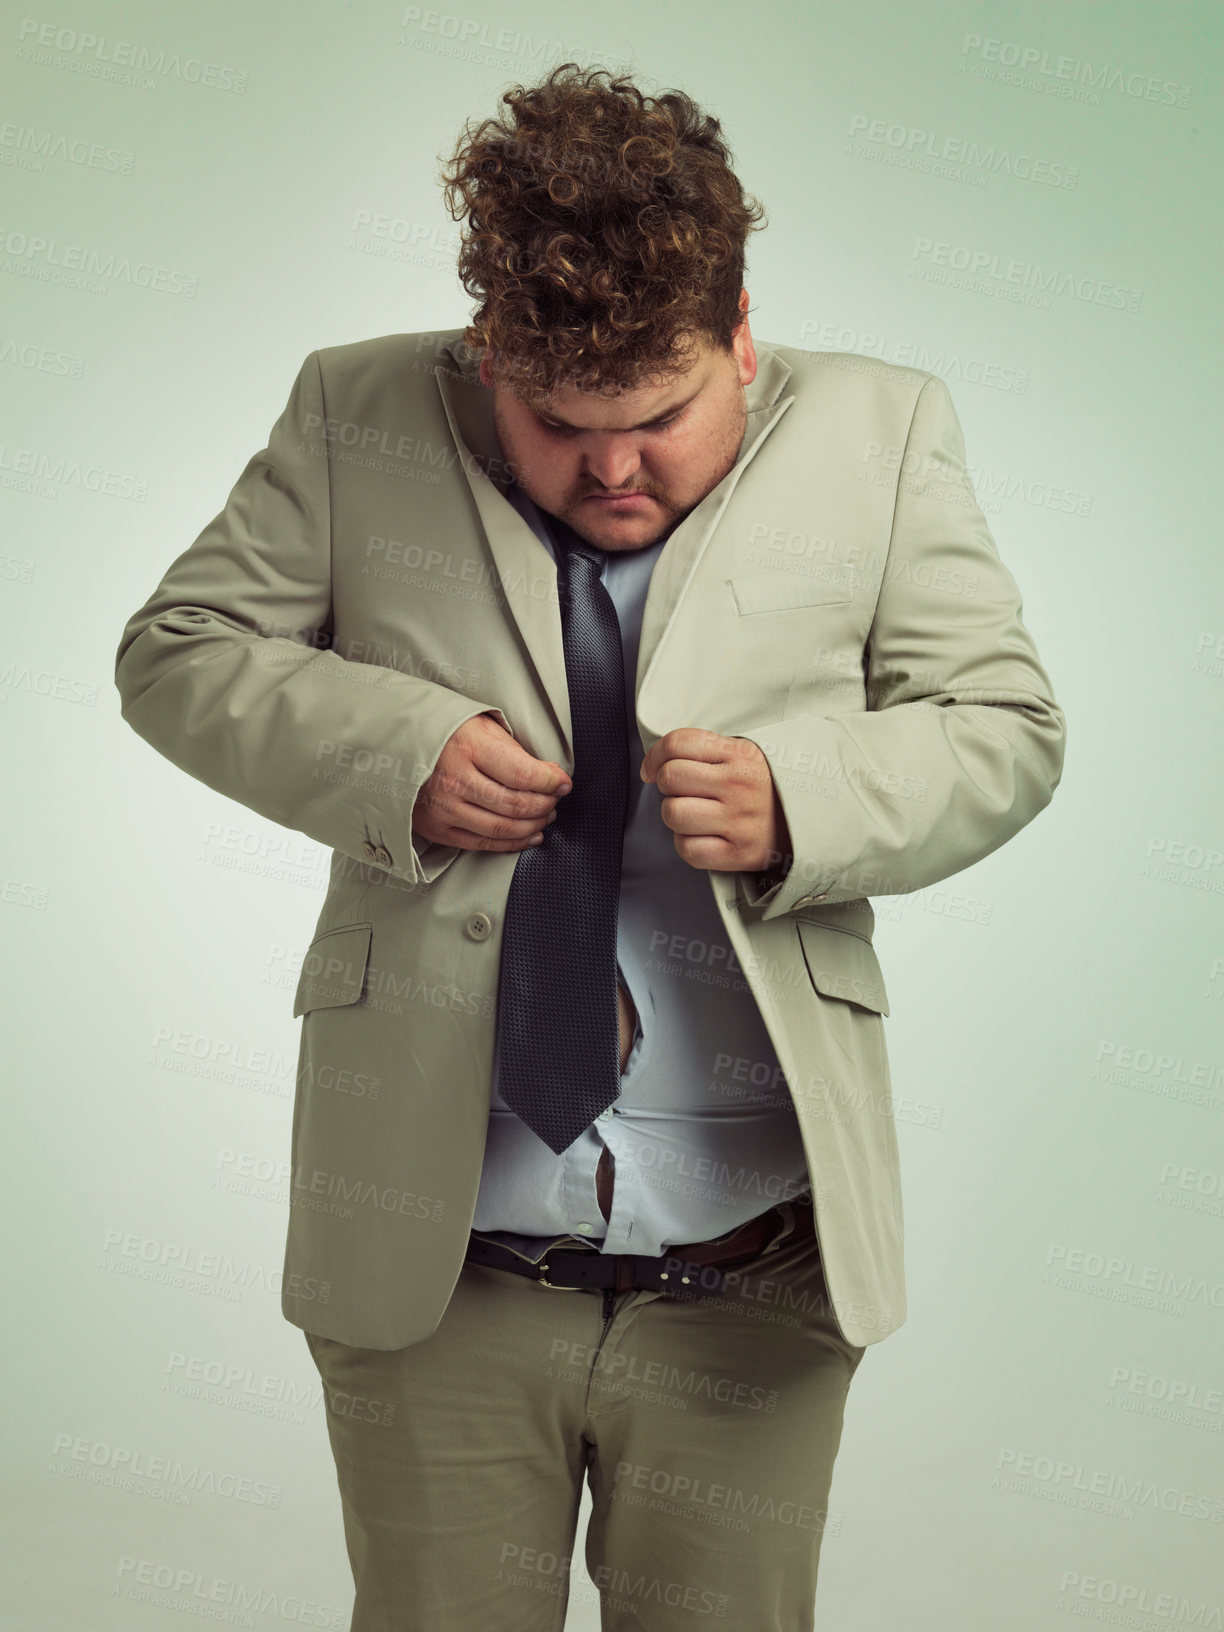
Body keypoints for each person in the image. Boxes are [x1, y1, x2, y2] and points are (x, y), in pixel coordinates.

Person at [114, 60, 1066, 1632]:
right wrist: (396, 754)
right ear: (489, 355)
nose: (614, 469)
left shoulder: (886, 431)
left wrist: (806, 796)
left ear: (742, 337)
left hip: (756, 1277)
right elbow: (180, 648)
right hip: (439, 1268)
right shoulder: (355, 412)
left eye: (663, 419)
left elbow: (1005, 724)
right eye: (559, 425)